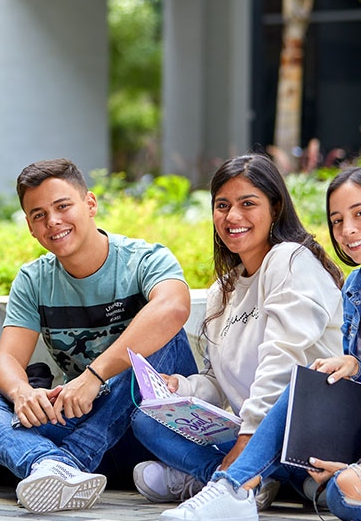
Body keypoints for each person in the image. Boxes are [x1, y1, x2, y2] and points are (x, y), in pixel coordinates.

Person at [161, 164, 361, 521]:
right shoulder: (355, 288)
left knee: (346, 493)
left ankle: (240, 484)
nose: (347, 229)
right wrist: (356, 367)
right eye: (337, 220)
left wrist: (360, 462)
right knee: (307, 383)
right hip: (359, 440)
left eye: (360, 214)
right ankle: (236, 488)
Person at [0, 159, 199, 514]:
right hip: (83, 421)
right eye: (38, 215)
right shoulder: (34, 279)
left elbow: (174, 309)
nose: (52, 221)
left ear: (90, 204)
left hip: (152, 431)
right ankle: (47, 464)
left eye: (62, 206)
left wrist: (93, 376)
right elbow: (6, 359)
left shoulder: (144, 258)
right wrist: (23, 393)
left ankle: (69, 462)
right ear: (30, 227)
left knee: (164, 336)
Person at [130, 154, 344, 507]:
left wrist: (248, 440)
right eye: (222, 205)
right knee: (145, 420)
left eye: (248, 204)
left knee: (323, 485)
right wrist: (180, 388)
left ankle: (226, 479)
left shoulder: (291, 259)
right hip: (249, 431)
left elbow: (283, 360)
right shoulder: (222, 291)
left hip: (304, 435)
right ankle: (239, 481)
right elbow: (218, 381)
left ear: (275, 208)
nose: (232, 216)